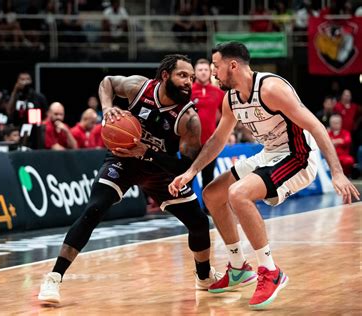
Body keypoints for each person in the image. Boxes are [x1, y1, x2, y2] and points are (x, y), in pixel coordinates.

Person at [168, 42, 360, 310]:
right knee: (213, 194)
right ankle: (238, 267)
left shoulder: (271, 89)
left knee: (239, 194)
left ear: (232, 65)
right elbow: (218, 140)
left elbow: (316, 125)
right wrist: (191, 172)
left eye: (216, 66)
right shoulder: (231, 98)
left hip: (299, 155)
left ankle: (271, 271)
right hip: (270, 153)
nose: (213, 72)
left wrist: (336, 172)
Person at [38, 54, 222, 304]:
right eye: (182, 75)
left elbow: (185, 166)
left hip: (159, 169)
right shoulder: (140, 87)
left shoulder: (189, 119)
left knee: (199, 223)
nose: (189, 82)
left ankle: (203, 277)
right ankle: (53, 278)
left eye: (191, 77)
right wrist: (107, 108)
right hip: (122, 160)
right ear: (165, 76)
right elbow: (108, 82)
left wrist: (147, 151)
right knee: (94, 209)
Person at [192, 58, 224, 212]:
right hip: (190, 143)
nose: (203, 72)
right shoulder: (188, 92)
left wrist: (227, 133)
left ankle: (208, 208)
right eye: (200, 70)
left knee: (208, 177)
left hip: (210, 143)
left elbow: (227, 116)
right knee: (188, 177)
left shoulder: (218, 93)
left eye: (206, 70)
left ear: (210, 72)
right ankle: (189, 209)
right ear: (195, 72)